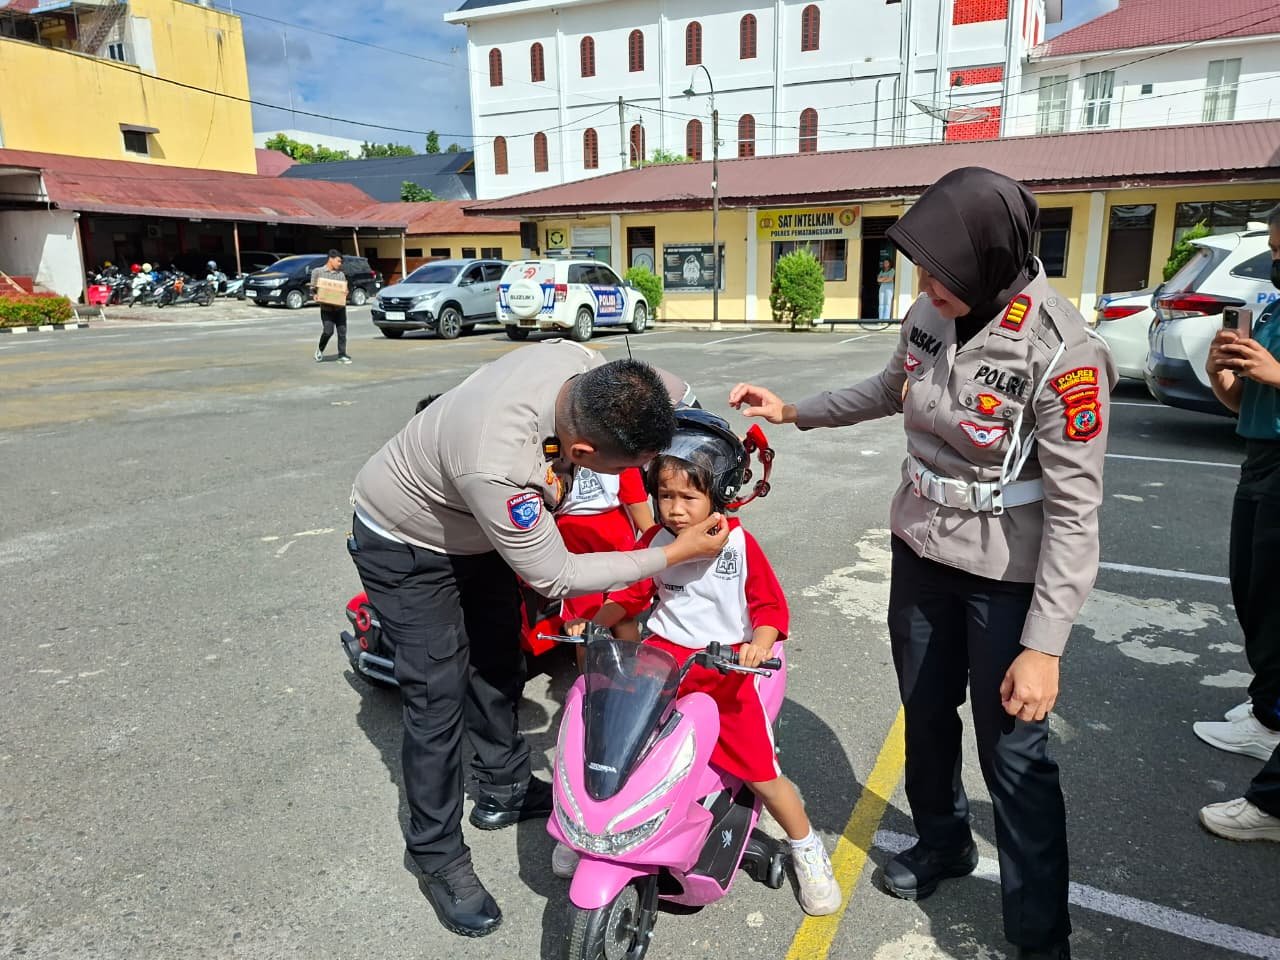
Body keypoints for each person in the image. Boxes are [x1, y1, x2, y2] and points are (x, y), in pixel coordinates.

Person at [729, 167, 1115, 960]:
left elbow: (1076, 516)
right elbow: (886, 389)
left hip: (1008, 577)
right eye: (923, 272)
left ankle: (1041, 938)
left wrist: (1044, 647)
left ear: (987, 258)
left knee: (1014, 755)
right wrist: (795, 411)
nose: (926, 287)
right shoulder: (930, 315)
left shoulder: (1064, 355)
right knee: (926, 713)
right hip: (921, 553)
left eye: (940, 274)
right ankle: (943, 843)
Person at [348, 342, 730, 938]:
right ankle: (436, 854)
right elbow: (559, 576)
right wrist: (672, 552)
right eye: (629, 469)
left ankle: (503, 788)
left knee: (500, 663)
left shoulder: (584, 363)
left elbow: (678, 397)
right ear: (581, 453)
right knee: (436, 698)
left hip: (476, 535)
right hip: (407, 543)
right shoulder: (498, 460)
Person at [554, 409, 841, 916]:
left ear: (719, 495)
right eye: (666, 496)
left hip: (723, 671)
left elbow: (769, 607)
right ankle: (593, 827)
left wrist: (760, 641)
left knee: (758, 770)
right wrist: (596, 618)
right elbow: (635, 592)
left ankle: (805, 845)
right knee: (618, 744)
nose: (677, 509)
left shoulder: (737, 544)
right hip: (660, 664)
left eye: (689, 497)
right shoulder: (655, 541)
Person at [1197, 206, 1280, 842]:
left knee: (1275, 609)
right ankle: (1268, 717)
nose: (1276, 263)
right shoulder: (1272, 306)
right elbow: (1241, 401)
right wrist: (1223, 375)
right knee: (1253, 596)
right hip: (1259, 459)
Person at [555, 466, 654, 644]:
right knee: (603, 619)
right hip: (590, 528)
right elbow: (635, 499)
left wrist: (656, 541)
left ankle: (620, 669)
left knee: (594, 623)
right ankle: (628, 670)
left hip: (589, 527)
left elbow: (634, 496)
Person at [311, 250, 352, 364]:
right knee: (328, 331)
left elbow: (344, 289)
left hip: (339, 308)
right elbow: (313, 289)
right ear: (331, 259)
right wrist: (315, 295)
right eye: (338, 261)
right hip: (326, 308)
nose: (340, 264)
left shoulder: (341, 275)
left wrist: (346, 292)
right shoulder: (318, 272)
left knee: (342, 332)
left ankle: (342, 354)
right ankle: (320, 349)